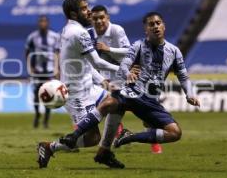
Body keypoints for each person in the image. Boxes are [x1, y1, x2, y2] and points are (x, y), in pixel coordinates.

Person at [58, 11, 200, 167]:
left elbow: (183, 76)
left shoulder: (174, 51)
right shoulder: (138, 46)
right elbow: (124, 66)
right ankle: (75, 135)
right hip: (130, 92)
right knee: (109, 102)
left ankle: (129, 137)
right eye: (151, 24)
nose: (155, 26)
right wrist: (128, 74)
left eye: (158, 23)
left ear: (164, 26)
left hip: (150, 100)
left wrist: (190, 94)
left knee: (175, 133)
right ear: (146, 29)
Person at [37, 0, 125, 169]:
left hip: (89, 88)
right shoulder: (79, 33)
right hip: (76, 94)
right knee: (92, 138)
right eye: (84, 8)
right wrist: (125, 71)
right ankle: (49, 147)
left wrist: (102, 81)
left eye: (88, 7)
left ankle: (105, 152)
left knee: (117, 103)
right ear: (74, 14)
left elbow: (86, 64)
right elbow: (97, 62)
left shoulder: (68, 30)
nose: (89, 11)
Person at [90, 5, 163, 154]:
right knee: (107, 110)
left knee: (145, 114)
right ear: (91, 19)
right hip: (108, 81)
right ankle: (109, 144)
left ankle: (152, 142)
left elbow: (128, 53)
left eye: (102, 17)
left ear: (107, 18)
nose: (99, 21)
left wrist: (108, 49)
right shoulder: (89, 35)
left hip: (128, 78)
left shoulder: (116, 30)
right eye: (95, 18)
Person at [25, 15, 60, 128]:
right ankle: (37, 114)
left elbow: (58, 53)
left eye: (45, 21)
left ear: (48, 23)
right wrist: (30, 67)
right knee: (36, 94)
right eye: (41, 21)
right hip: (38, 70)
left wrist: (57, 68)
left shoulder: (55, 37)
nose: (42, 23)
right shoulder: (32, 37)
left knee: (49, 95)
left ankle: (46, 120)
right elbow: (27, 52)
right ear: (38, 23)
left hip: (50, 70)